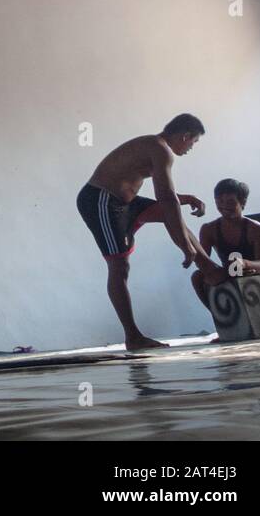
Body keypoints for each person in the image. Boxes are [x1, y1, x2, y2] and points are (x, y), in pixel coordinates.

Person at [76, 113, 224, 350]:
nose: (191, 148)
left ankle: (208, 268)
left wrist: (183, 199)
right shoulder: (160, 149)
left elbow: (168, 200)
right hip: (100, 200)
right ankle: (133, 336)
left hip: (125, 203)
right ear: (185, 136)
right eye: (193, 142)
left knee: (170, 213)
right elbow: (165, 197)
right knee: (119, 265)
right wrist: (184, 246)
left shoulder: (155, 147)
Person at [191, 178, 260, 312]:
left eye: (230, 202)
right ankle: (220, 317)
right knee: (197, 276)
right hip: (228, 272)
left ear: (242, 202)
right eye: (219, 202)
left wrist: (246, 264)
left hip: (253, 273)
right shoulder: (208, 229)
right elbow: (202, 262)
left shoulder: (257, 229)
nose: (224, 206)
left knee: (244, 274)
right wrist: (213, 273)